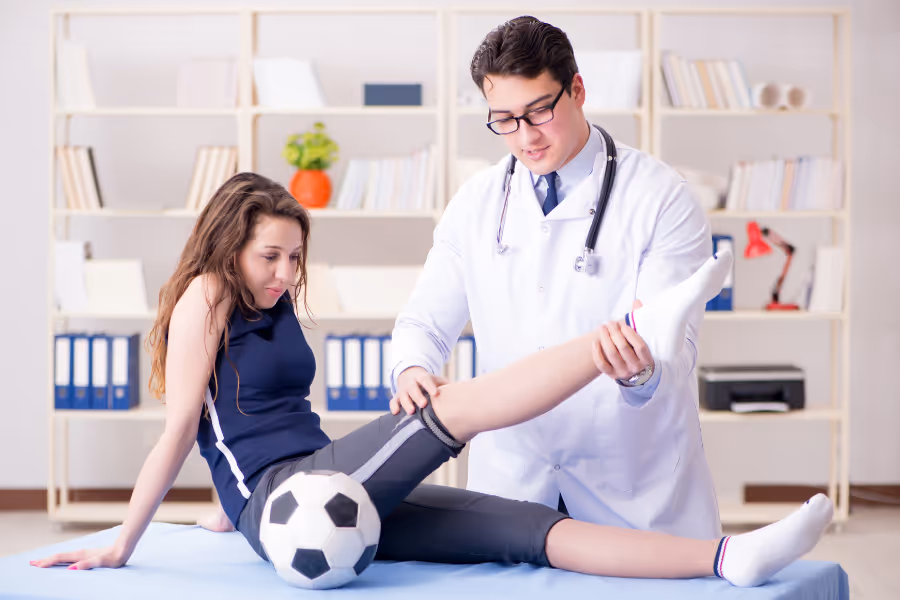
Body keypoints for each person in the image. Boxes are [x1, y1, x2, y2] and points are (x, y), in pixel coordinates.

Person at [31, 173, 832, 589]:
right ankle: (627, 337)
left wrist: (224, 511)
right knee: (448, 412)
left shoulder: (271, 305)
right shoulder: (206, 294)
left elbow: (248, 420)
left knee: (523, 531)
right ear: (228, 245)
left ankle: (727, 559)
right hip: (293, 503)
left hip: (323, 484)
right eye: (270, 256)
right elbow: (182, 430)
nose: (286, 271)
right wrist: (123, 544)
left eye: (296, 256)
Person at [390, 16, 720, 538]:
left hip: (630, 482)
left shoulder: (661, 198)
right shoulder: (475, 204)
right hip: (513, 479)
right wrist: (412, 369)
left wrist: (639, 371)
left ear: (578, 90)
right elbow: (424, 323)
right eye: (504, 119)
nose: (525, 136)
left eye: (539, 111)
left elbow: (671, 352)